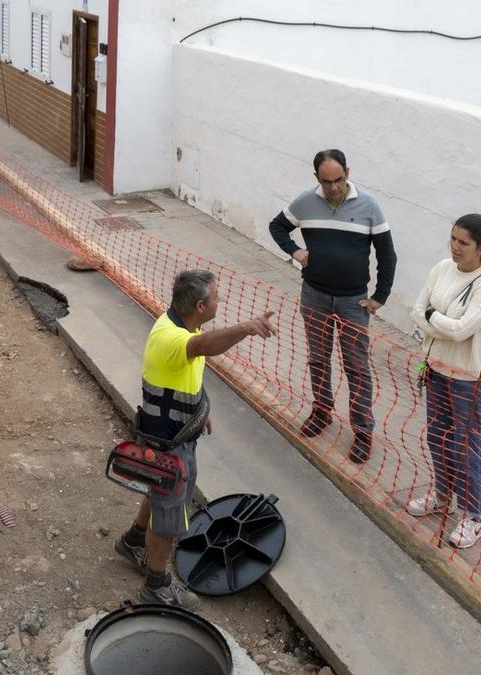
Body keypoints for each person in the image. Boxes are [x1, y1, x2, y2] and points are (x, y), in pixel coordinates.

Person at [114, 270, 276, 609]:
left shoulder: (185, 324)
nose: (220, 301)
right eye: (216, 298)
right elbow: (200, 348)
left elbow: (186, 371)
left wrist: (200, 410)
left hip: (175, 433)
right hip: (167, 442)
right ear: (201, 306)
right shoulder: (173, 338)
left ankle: (133, 541)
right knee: (170, 512)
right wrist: (247, 328)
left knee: (160, 491)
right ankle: (156, 586)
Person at [268, 149, 397, 463]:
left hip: (354, 302)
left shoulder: (368, 206)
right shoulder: (304, 202)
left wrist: (380, 296)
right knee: (318, 359)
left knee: (356, 368)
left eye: (339, 179)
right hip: (314, 296)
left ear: (348, 172)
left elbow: (387, 253)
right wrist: (297, 252)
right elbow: (277, 227)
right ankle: (321, 411)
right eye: (327, 182)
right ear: (317, 179)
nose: (335, 187)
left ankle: (363, 432)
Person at [407, 214, 481, 549]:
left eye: (463, 242)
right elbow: (415, 310)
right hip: (436, 369)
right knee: (438, 437)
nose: (454, 247)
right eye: (452, 238)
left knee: (468, 447)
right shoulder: (441, 268)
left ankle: (474, 515)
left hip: (471, 380)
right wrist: (439, 321)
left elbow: (463, 330)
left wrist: (431, 318)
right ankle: (442, 495)